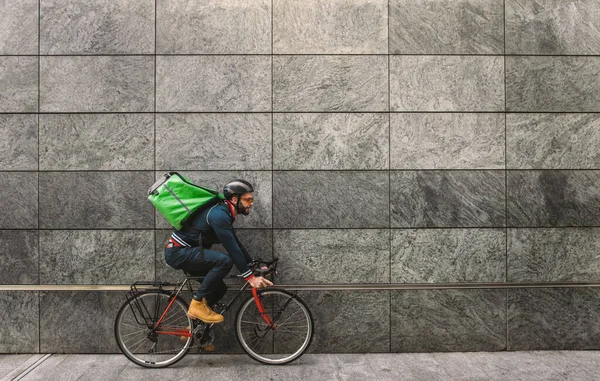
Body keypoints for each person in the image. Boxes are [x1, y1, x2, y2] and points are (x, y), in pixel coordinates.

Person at [164, 179, 272, 324]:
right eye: (247, 199)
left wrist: (252, 265)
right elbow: (231, 249)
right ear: (235, 199)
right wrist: (250, 278)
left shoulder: (225, 213)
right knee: (225, 260)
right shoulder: (219, 215)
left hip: (187, 252)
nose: (251, 203)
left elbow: (236, 243)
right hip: (178, 253)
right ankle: (196, 304)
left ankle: (195, 329)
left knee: (219, 289)